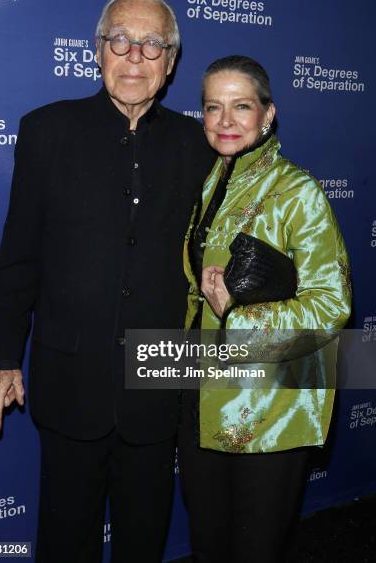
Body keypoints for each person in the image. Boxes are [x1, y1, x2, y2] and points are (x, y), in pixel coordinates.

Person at [0, 0, 214, 563]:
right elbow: (18, 254)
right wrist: (5, 356)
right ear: (97, 50)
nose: (135, 57)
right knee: (66, 541)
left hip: (160, 383)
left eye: (151, 44)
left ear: (171, 62)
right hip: (68, 381)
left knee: (144, 539)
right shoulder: (46, 130)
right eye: (120, 40)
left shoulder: (202, 145)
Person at [179, 55, 351, 562]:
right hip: (201, 392)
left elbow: (331, 304)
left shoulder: (298, 192)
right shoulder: (212, 181)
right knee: (209, 542)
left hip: (270, 404)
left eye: (242, 106)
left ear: (268, 114)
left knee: (255, 548)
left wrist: (239, 312)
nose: (226, 121)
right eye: (214, 107)